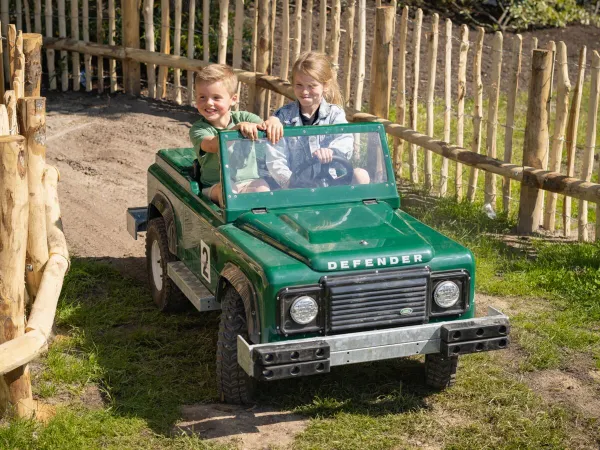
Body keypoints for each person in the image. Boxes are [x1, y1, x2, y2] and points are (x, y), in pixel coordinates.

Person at [266, 51, 370, 189]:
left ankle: (355, 209)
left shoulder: (334, 114)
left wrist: (332, 151)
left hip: (329, 183)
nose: (304, 91)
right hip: (295, 187)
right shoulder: (283, 117)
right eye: (299, 85)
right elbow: (275, 159)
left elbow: (345, 139)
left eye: (311, 86)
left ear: (325, 86)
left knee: (361, 175)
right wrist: (291, 182)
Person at [189, 64, 283, 205]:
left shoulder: (246, 117)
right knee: (227, 192)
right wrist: (235, 130)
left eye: (216, 97)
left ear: (233, 99)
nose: (209, 103)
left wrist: (273, 121)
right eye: (202, 97)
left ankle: (258, 222)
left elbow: (264, 126)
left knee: (263, 190)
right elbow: (211, 145)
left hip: (249, 181)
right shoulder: (199, 128)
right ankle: (228, 226)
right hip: (215, 185)